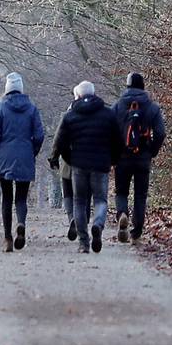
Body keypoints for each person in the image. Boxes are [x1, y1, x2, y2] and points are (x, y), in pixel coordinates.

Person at [47, 79, 123, 252]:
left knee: (79, 202)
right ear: (94, 93)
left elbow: (60, 142)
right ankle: (97, 225)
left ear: (78, 95)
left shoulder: (71, 115)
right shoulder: (108, 114)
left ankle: (83, 242)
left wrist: (63, 158)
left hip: (79, 165)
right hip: (101, 165)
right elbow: (118, 141)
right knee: (101, 200)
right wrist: (113, 160)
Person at [0, 72, 46, 250]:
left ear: (6, 89)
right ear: (21, 88)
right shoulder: (31, 108)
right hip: (25, 155)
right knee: (21, 198)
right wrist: (32, 152)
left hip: (4, 156)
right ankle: (20, 223)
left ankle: (7, 238)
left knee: (7, 198)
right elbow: (39, 135)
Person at [113, 70, 168, 243]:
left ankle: (122, 213)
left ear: (127, 86)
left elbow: (110, 131)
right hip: (143, 156)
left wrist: (113, 152)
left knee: (121, 191)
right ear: (143, 86)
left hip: (121, 156)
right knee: (140, 195)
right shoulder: (152, 107)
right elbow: (160, 132)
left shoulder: (118, 105)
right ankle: (136, 233)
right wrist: (152, 150)